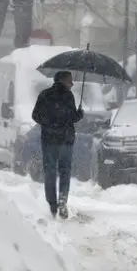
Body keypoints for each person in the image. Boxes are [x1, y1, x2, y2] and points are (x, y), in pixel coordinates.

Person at [31, 71, 84, 219]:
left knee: (50, 171)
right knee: (65, 171)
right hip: (66, 140)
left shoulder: (44, 95)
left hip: (49, 140)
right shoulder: (68, 96)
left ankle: (52, 204)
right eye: (70, 81)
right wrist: (79, 114)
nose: (72, 84)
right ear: (62, 80)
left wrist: (48, 124)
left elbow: (35, 115)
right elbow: (73, 118)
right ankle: (62, 199)